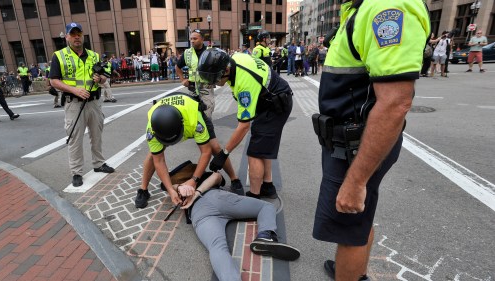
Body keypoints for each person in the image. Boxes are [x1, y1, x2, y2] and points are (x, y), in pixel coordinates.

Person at [311, 1, 430, 280]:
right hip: (350, 141)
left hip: (355, 146)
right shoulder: (362, 7)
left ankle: (350, 272)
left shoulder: (386, 7)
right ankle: (356, 272)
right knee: (358, 220)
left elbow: (396, 103)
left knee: (348, 227)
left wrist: (356, 181)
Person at [167, 164, 300, 281]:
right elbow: (217, 177)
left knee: (217, 247)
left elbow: (172, 188)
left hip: (199, 213)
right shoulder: (202, 176)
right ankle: (265, 235)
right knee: (266, 207)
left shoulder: (174, 189)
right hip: (218, 198)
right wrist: (191, 189)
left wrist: (182, 188)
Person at [197, 48, 294, 199]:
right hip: (271, 98)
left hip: (275, 106)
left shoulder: (244, 85)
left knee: (254, 152)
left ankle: (254, 196)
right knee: (263, 146)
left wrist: (224, 154)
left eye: (216, 78)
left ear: (226, 70)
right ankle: (268, 186)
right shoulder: (236, 58)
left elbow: (243, 126)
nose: (215, 84)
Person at [134, 92, 243, 208]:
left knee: (214, 147)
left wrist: (194, 180)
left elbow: (205, 152)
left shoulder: (195, 121)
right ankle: (143, 189)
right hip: (168, 118)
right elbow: (159, 161)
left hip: (190, 114)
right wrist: (171, 190)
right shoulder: (152, 130)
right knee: (153, 155)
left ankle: (234, 179)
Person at [49, 22, 115, 187]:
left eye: (79, 33)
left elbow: (104, 76)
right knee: (75, 139)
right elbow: (53, 81)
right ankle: (77, 172)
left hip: (94, 102)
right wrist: (74, 90)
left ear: (83, 35)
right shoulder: (59, 55)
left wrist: (100, 79)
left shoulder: (93, 55)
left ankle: (98, 163)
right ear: (67, 37)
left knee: (97, 135)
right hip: (74, 103)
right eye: (73, 34)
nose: (76, 36)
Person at [176, 30, 216, 119]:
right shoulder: (187, 53)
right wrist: (182, 80)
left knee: (207, 114)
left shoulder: (210, 52)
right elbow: (177, 67)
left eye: (195, 38)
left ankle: (206, 131)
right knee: (193, 114)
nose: (192, 41)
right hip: (192, 87)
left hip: (206, 87)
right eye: (191, 39)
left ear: (202, 39)